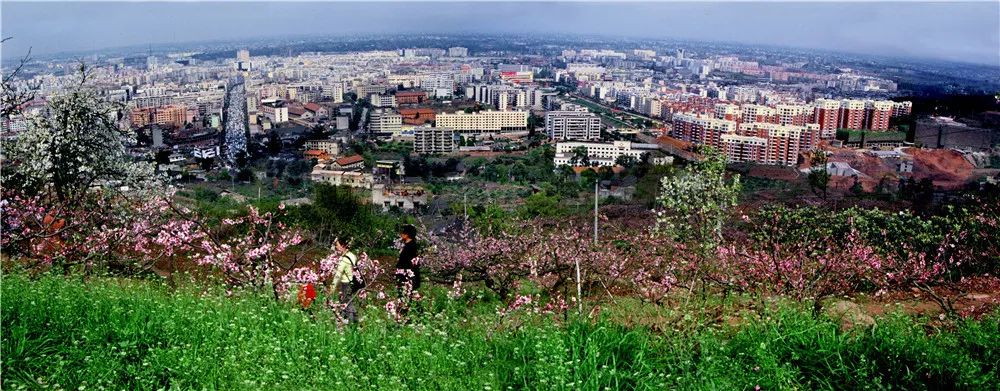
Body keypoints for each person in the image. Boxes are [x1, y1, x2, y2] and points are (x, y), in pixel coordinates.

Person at [332, 237, 358, 324]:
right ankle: (354, 320)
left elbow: (337, 275)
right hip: (353, 282)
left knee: (347, 303)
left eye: (337, 245)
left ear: (343, 246)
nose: (336, 247)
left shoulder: (344, 260)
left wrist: (332, 288)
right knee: (349, 301)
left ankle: (351, 322)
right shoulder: (352, 255)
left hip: (346, 283)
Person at [395, 224, 421, 296]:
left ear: (407, 234)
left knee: (406, 296)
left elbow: (412, 264)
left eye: (403, 233)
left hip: (407, 277)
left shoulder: (412, 246)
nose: (401, 234)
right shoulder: (407, 245)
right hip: (403, 275)